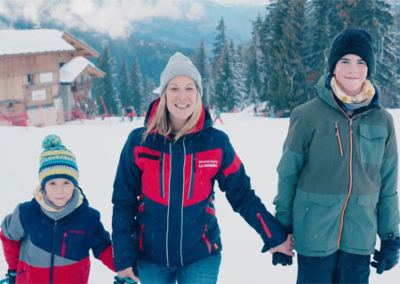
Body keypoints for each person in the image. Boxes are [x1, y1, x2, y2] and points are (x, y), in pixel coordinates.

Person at [112, 52, 294, 284]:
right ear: (163, 94)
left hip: (201, 257)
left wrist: (273, 235)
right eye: (174, 88)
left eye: (189, 88)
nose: (182, 96)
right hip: (150, 259)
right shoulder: (140, 142)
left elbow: (242, 195)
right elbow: (123, 202)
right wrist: (124, 259)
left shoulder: (216, 143)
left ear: (198, 94)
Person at [273, 28, 400, 283]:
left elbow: (387, 186)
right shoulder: (307, 115)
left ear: (369, 69)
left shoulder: (382, 121)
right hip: (313, 237)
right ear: (333, 66)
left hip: (359, 241)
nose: (352, 68)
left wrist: (390, 238)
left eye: (360, 62)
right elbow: (288, 174)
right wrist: (281, 230)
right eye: (345, 61)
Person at [0, 134, 115, 284]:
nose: (59, 191)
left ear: (75, 184)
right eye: (52, 183)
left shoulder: (87, 218)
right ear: (43, 186)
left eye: (66, 182)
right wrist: (14, 270)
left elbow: (104, 248)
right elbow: (9, 236)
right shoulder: (26, 213)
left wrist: (127, 267)